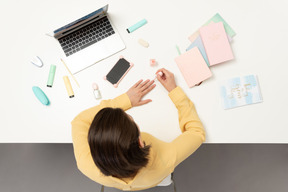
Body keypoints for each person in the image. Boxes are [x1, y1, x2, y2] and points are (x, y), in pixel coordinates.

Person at [71, 68, 205, 191]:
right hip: (157, 177)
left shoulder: (85, 164)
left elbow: (79, 121)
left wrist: (126, 100)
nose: (127, 113)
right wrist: (174, 91)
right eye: (130, 120)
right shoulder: (164, 160)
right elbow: (196, 132)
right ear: (141, 142)